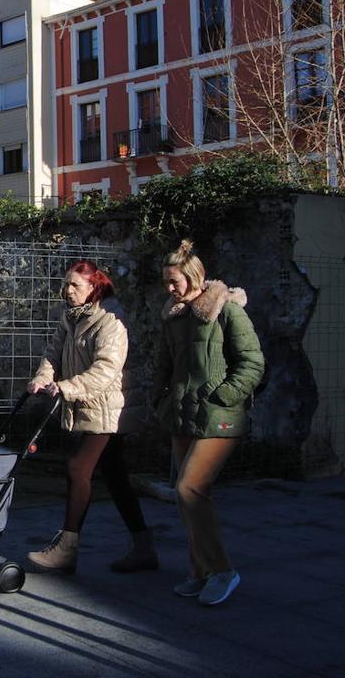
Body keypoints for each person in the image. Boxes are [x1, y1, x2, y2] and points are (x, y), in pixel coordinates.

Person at [25, 260, 156, 574]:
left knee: (77, 467)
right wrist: (42, 378)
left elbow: (106, 370)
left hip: (108, 407)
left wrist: (66, 387)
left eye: (75, 286)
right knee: (114, 476)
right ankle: (144, 548)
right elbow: (53, 352)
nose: (68, 291)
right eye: (67, 284)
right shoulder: (71, 318)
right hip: (89, 403)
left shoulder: (110, 320)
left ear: (94, 287)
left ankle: (66, 549)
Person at [155, 239, 264, 606]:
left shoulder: (226, 310)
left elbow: (252, 362)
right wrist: (161, 401)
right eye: (166, 282)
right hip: (183, 417)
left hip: (219, 416)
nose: (170, 289)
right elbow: (163, 367)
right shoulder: (173, 317)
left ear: (193, 276)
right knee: (189, 498)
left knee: (189, 488)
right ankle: (199, 572)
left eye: (175, 282)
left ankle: (222, 571)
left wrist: (223, 398)